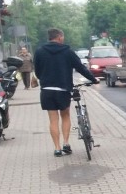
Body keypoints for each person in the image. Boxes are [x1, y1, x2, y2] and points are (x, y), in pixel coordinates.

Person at [33, 28, 99, 157]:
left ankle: (57, 148)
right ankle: (66, 144)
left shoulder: (40, 52)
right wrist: (93, 79)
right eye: (62, 37)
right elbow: (80, 67)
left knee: (53, 120)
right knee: (65, 116)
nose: (63, 39)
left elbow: (37, 71)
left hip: (47, 90)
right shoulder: (67, 52)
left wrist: (45, 80)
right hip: (63, 90)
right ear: (59, 37)